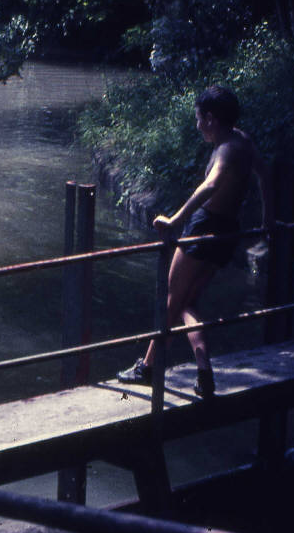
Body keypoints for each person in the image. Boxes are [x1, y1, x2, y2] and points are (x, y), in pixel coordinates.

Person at [116, 85, 271, 399]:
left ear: (211, 118)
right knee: (187, 302)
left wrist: (174, 221)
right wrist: (268, 220)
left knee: (172, 300)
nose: (197, 125)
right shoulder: (243, 141)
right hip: (226, 231)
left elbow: (211, 185)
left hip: (204, 226)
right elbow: (265, 175)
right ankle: (203, 373)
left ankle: (147, 368)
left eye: (199, 119)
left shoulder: (226, 149)